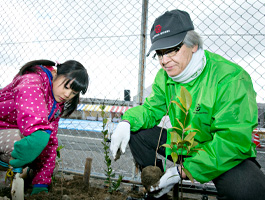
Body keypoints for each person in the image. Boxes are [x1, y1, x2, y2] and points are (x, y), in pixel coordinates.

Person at [110, 9, 265, 200]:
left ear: (194, 45)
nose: (164, 61)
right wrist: (126, 122)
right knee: (136, 130)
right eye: (159, 53)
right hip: (182, 144)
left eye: (172, 50)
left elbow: (232, 141)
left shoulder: (230, 78)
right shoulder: (165, 77)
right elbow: (151, 109)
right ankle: (156, 189)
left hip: (219, 151)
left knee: (250, 191)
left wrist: (182, 171)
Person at [0, 60, 89, 195]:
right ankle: (10, 175)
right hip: (3, 127)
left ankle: (26, 175)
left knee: (47, 157)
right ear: (54, 73)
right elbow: (30, 99)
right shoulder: (33, 79)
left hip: (17, 130)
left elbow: (51, 141)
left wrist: (41, 183)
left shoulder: (56, 106)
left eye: (73, 93)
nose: (67, 95)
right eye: (66, 87)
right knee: (20, 146)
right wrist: (38, 133)